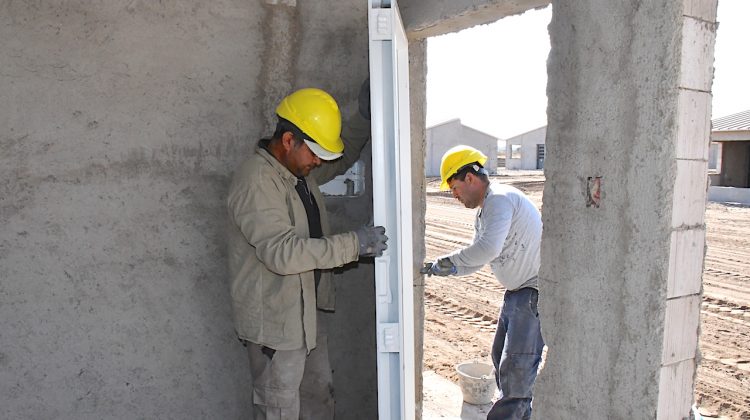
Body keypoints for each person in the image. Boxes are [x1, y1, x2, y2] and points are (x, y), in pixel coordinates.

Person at [227, 85, 386, 420]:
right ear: (288, 140)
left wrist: (365, 118)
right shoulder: (257, 181)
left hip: (303, 317)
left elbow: (339, 159)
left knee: (317, 403)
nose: (317, 162)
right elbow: (281, 253)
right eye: (313, 153)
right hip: (275, 328)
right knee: (280, 411)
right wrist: (353, 244)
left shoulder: (295, 172)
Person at [427, 145, 544, 420]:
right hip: (516, 294)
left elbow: (488, 249)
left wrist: (449, 259)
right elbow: (478, 257)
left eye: (454, 187)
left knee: (516, 375)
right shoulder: (486, 209)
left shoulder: (500, 200)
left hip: (531, 292)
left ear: (469, 178)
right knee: (500, 361)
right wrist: (446, 268)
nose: (453, 195)